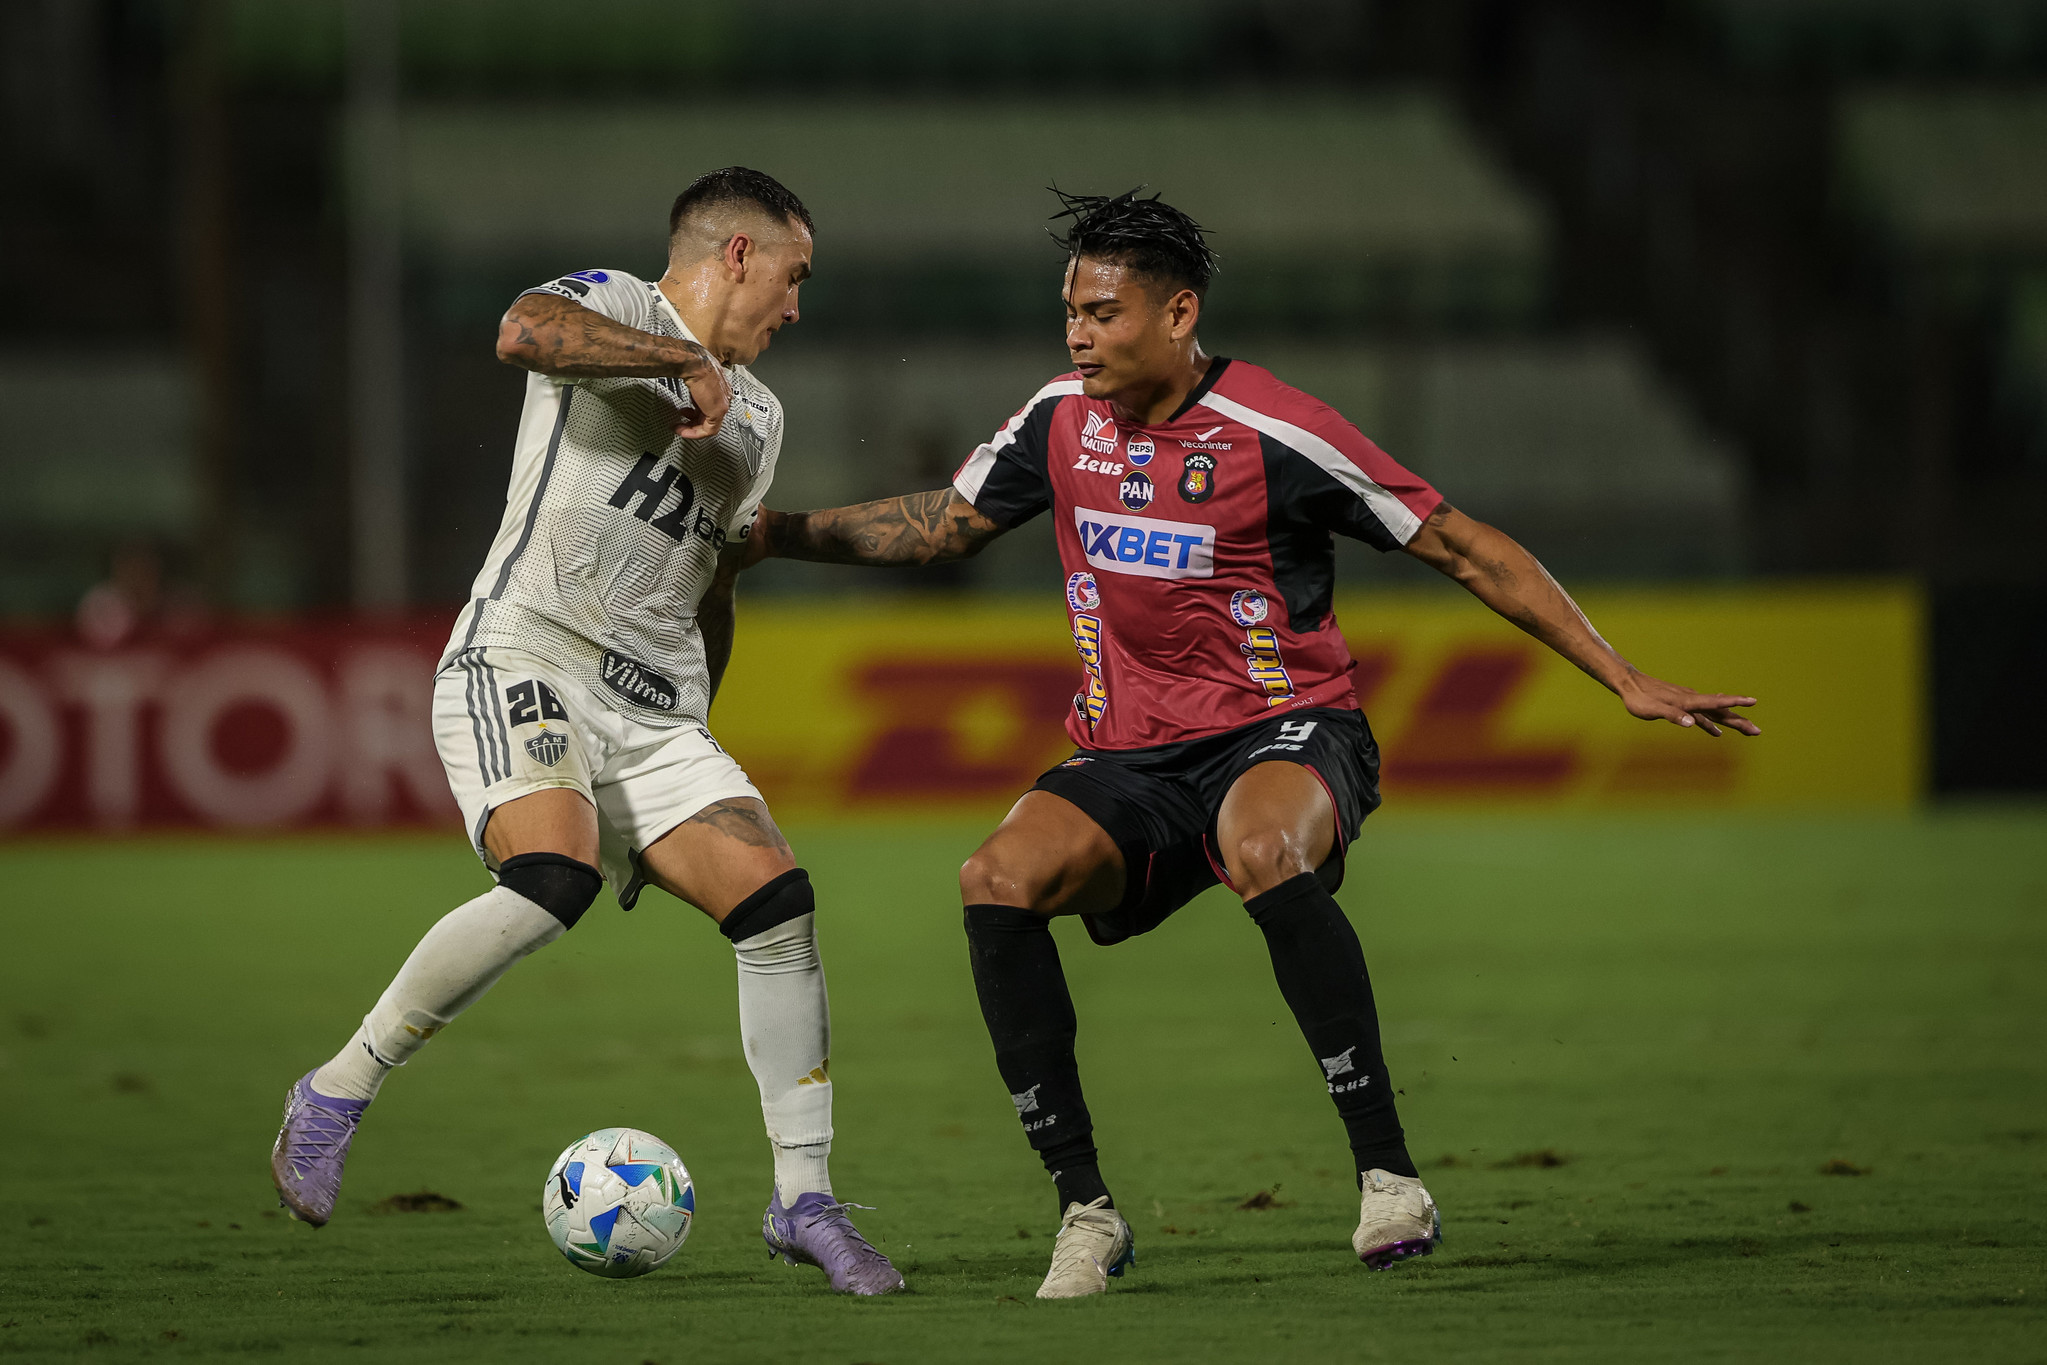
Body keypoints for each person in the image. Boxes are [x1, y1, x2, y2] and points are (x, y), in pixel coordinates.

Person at [747, 187, 1759, 1298]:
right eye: (1070, 312)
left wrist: (1620, 675)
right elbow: (944, 525)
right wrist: (771, 534)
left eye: (1102, 313)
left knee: (1262, 846)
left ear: (1179, 313)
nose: (1077, 334)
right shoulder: (1060, 418)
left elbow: (1463, 547)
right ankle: (1085, 1211)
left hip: (1287, 730)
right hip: (1129, 756)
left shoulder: (1277, 430)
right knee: (994, 877)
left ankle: (1388, 1178)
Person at [270, 167, 904, 1296]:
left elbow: (711, 576)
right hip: (526, 656)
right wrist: (680, 362)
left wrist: (697, 735)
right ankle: (336, 1090)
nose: (797, 308)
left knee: (777, 901)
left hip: (656, 713)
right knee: (551, 880)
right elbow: (524, 331)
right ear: (738, 255)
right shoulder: (616, 303)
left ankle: (803, 1199)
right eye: (793, 276)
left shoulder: (759, 416)